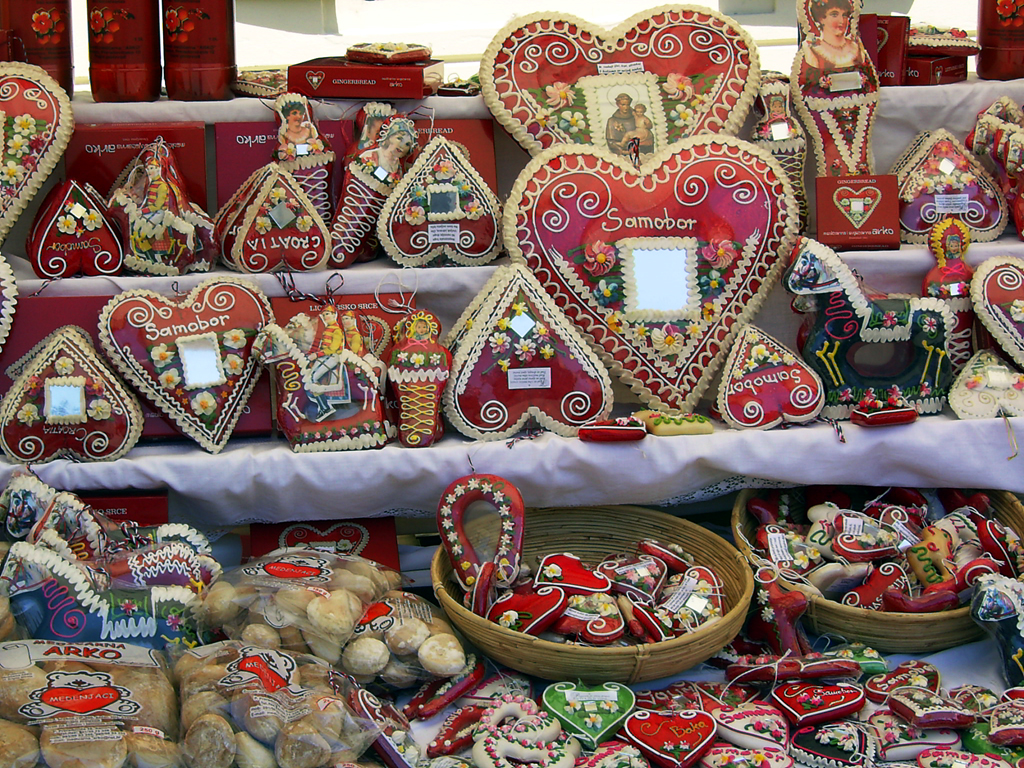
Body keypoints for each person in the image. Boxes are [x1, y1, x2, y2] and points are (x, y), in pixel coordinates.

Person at [803, 0, 864, 72]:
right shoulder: (812, 50)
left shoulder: (856, 47)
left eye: (845, 15)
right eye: (834, 15)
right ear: (821, 18)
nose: (842, 21)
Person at [357, 117, 417, 183]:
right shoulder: (369, 156)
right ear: (388, 137)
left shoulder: (398, 167)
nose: (402, 145)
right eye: (399, 139)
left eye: (407, 144)